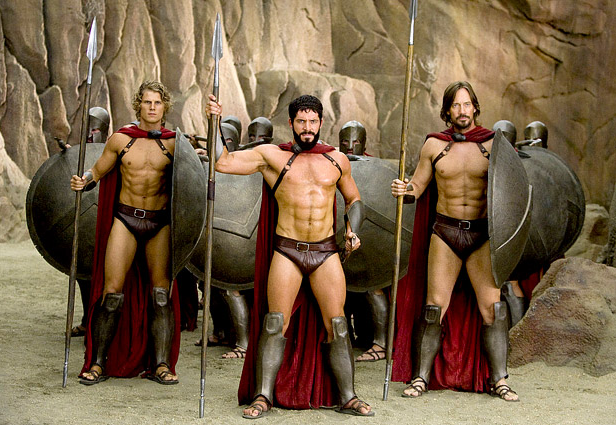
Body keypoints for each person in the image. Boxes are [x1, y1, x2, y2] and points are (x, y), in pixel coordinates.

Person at [207, 93, 374, 418]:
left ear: (321, 122)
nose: (307, 127)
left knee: (338, 324)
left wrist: (352, 229)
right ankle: (263, 396)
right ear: (291, 123)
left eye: (312, 121)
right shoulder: (272, 155)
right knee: (274, 323)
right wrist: (214, 121)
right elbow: (222, 162)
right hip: (288, 251)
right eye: (301, 121)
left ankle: (348, 397)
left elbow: (354, 200)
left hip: (325, 251)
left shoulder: (337, 159)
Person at [391, 81, 519, 402]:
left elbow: (515, 192)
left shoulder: (494, 144)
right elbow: (418, 186)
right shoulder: (434, 145)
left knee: (493, 308)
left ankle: (499, 379)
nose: (462, 111)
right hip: (445, 233)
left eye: (467, 104)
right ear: (447, 111)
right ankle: (420, 377)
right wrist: (405, 190)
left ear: (475, 107)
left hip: (482, 235)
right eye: (456, 105)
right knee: (434, 307)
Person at [70, 80, 180, 386]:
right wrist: (84, 180)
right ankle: (98, 363)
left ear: (164, 107)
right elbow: (98, 170)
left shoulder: (174, 143)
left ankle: (161, 364)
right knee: (112, 292)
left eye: (157, 102)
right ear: (138, 105)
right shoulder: (121, 139)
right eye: (147, 102)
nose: (152, 107)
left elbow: (190, 183)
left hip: (159, 223)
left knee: (161, 295)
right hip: (126, 219)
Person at [337, 120, 389, 362]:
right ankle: (344, 337)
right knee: (340, 289)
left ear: (364, 143)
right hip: (339, 235)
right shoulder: (332, 163)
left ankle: (381, 342)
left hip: (371, 238)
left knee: (373, 287)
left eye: (356, 141)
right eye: (344, 141)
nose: (350, 146)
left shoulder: (376, 168)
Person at [65, 106, 111, 337]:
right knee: (84, 276)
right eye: (89, 127)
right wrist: (68, 156)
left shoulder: (114, 148)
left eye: (96, 128)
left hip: (111, 221)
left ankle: (106, 324)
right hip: (86, 225)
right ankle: (87, 320)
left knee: (109, 277)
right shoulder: (81, 150)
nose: (92, 133)